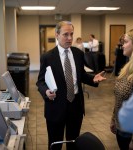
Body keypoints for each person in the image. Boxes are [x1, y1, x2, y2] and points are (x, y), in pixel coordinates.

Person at [36, 21, 106, 150]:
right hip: (56, 106)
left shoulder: (78, 54)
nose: (69, 38)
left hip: (75, 106)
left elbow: (81, 75)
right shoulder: (48, 57)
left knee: (73, 143)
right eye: (65, 34)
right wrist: (46, 92)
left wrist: (93, 79)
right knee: (55, 143)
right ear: (57, 35)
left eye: (71, 34)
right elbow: (40, 81)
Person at [110, 28, 133, 150]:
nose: (122, 46)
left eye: (126, 42)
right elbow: (120, 97)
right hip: (121, 128)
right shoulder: (127, 68)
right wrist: (113, 119)